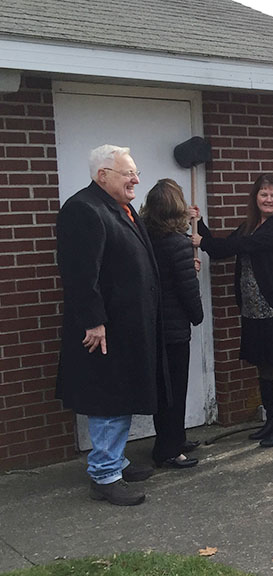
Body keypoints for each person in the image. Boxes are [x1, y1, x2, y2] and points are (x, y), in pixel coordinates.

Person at [55, 145, 162, 506]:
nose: (135, 180)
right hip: (104, 329)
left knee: (121, 395)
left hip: (128, 326)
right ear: (103, 176)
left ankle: (115, 462)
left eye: (136, 173)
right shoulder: (83, 210)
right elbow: (80, 274)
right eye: (127, 173)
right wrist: (94, 321)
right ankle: (104, 477)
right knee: (108, 400)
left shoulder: (123, 208)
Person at [193, 174, 273, 448]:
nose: (268, 199)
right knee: (263, 364)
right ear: (256, 198)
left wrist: (202, 241)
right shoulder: (249, 226)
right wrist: (200, 225)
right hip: (253, 309)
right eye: (264, 194)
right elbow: (222, 251)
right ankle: (270, 421)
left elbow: (241, 247)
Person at [141, 179, 204, 469]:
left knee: (164, 390)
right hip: (175, 329)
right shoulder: (178, 243)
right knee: (175, 390)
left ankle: (174, 439)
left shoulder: (144, 238)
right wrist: (197, 315)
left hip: (153, 326)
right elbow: (186, 289)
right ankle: (168, 450)